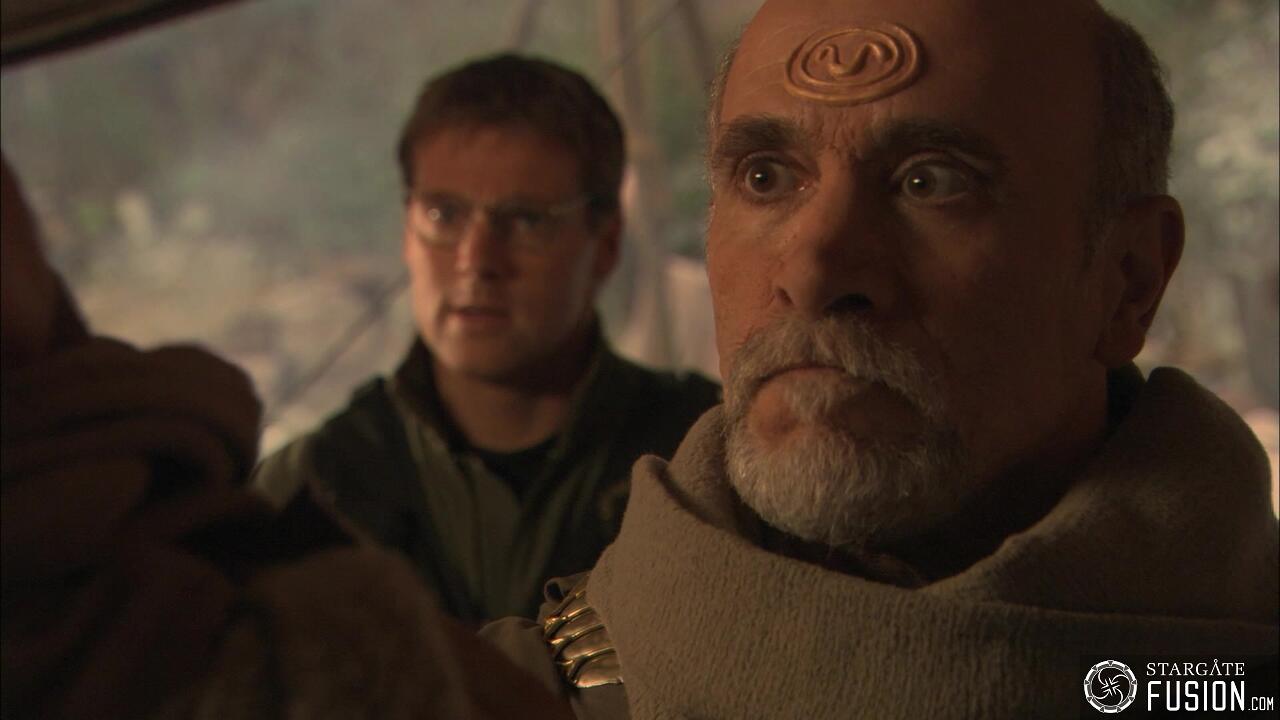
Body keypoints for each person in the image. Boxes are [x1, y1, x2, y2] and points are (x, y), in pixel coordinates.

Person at [474, 0, 1279, 716]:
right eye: (766, 177)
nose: (813, 271)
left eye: (931, 182)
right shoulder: (491, 693)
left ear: (1129, 280)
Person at [252, 54, 719, 622]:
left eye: (526, 220)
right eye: (444, 215)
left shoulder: (698, 460)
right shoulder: (312, 485)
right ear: (407, 231)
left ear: (604, 245)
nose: (476, 261)